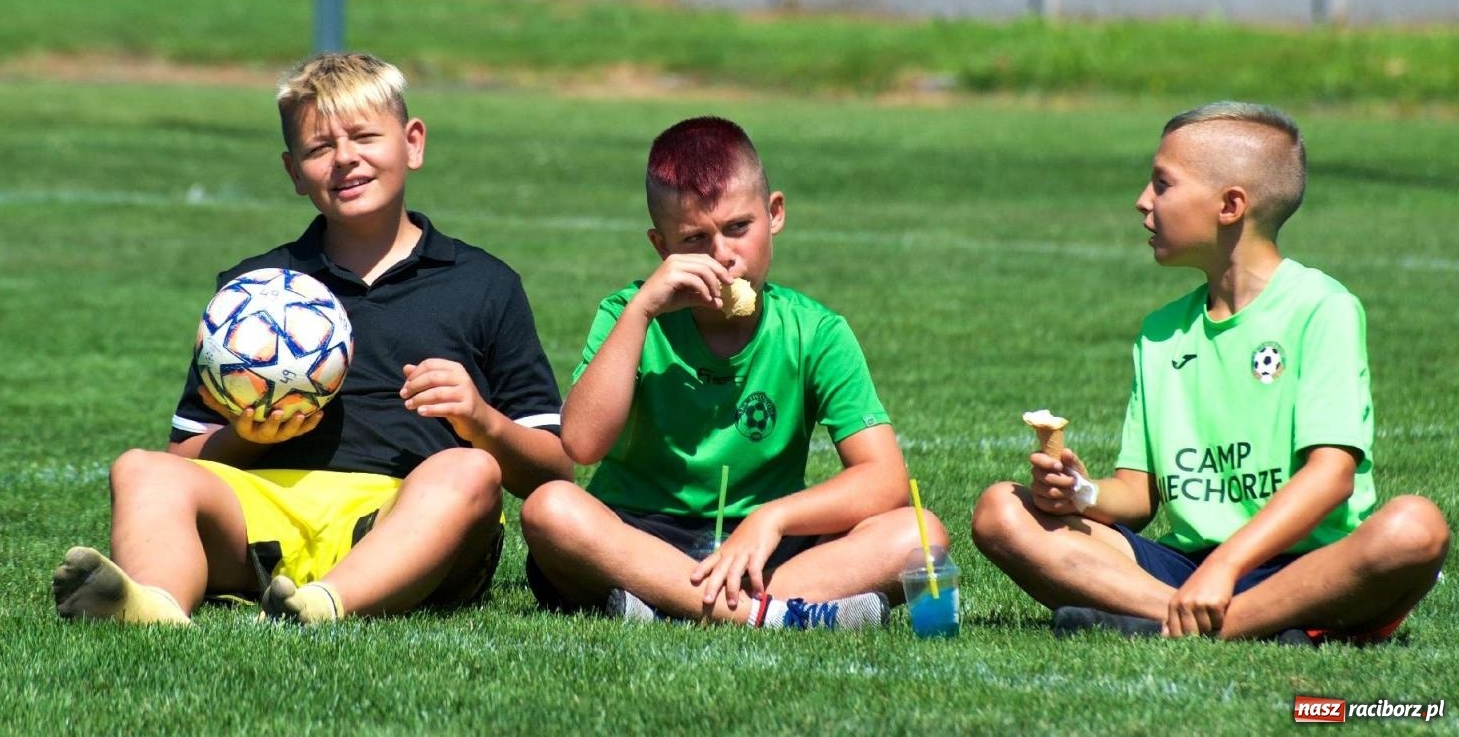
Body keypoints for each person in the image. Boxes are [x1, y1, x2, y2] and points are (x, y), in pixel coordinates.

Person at [53, 52, 571, 624]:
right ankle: (154, 604)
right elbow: (186, 458)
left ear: (413, 143)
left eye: (364, 137)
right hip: (268, 515)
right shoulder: (252, 295)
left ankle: (325, 604)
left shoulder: (484, 285)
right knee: (140, 469)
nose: (345, 158)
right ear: (294, 171)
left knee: (469, 471)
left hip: (406, 521)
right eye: (319, 148)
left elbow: (554, 472)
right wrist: (248, 438)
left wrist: (482, 420)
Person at [972, 101, 1449, 642]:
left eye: (1162, 184)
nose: (1142, 201)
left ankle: (1186, 621)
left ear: (1230, 206)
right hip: (1188, 570)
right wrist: (1081, 494)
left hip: (1304, 567)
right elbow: (1137, 494)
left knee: (1415, 527)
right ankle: (1242, 625)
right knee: (1000, 511)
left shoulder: (1322, 307)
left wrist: (1228, 564)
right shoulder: (1161, 331)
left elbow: (1331, 477)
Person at [521, 116, 942, 630]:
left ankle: (664, 607)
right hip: (638, 536)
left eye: (739, 228)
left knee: (920, 534)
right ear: (661, 247)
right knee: (549, 510)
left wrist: (773, 518)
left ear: (776, 213)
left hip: (764, 547)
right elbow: (582, 445)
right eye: (695, 238)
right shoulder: (626, 314)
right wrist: (642, 313)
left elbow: (884, 479)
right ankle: (773, 615)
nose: (723, 256)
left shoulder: (816, 331)